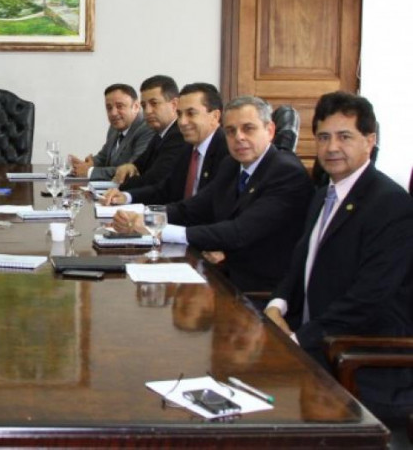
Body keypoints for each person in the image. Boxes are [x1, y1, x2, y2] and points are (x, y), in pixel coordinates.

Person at [265, 91, 413, 423]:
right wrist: (276, 306)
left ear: (369, 140)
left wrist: (295, 340)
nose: (332, 148)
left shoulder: (391, 204)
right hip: (315, 343)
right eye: (324, 137)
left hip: (360, 357)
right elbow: (299, 265)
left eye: (345, 137)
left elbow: (369, 299)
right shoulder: (322, 196)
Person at [113, 95, 313, 293]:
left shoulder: (286, 172)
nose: (239, 137)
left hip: (262, 290)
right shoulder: (232, 165)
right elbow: (192, 209)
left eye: (248, 128)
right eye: (231, 131)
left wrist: (155, 229)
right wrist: (144, 218)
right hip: (222, 273)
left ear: (269, 131)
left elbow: (239, 232)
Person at [102, 83, 228, 205]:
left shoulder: (227, 153)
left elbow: (205, 207)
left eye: (191, 113)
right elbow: (165, 190)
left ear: (215, 116)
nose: (182, 122)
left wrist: (153, 219)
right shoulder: (189, 147)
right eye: (179, 114)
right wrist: (126, 197)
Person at [110, 75, 190, 189]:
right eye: (144, 105)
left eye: (154, 103)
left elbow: (154, 179)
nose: (147, 111)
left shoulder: (178, 135)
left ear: (174, 105)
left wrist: (120, 189)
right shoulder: (159, 134)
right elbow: (139, 165)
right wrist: (129, 166)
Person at [68, 83, 154, 180]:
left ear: (136, 107)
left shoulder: (147, 129)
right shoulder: (114, 128)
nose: (113, 113)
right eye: (109, 108)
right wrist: (86, 164)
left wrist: (89, 171)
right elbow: (103, 157)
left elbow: (133, 169)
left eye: (120, 106)